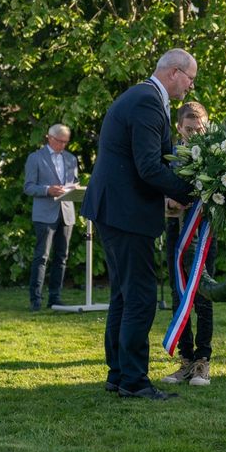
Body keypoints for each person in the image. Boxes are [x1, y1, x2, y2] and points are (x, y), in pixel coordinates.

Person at [80, 49, 196, 401]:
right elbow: (148, 166)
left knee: (123, 295)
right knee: (141, 298)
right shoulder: (147, 102)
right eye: (190, 79)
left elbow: (143, 163)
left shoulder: (140, 96)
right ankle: (133, 379)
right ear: (175, 72)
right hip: (125, 213)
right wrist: (188, 191)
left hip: (115, 209)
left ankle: (119, 374)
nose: (190, 87)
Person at [161, 102, 216, 387]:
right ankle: (184, 359)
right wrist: (166, 200)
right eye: (189, 129)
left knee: (204, 295)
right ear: (179, 127)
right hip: (176, 230)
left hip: (205, 232)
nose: (194, 134)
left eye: (200, 129)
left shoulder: (217, 155)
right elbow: (154, 186)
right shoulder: (167, 155)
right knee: (178, 292)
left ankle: (202, 361)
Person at [24, 124, 78, 311]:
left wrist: (74, 188)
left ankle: (55, 297)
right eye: (60, 141)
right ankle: (36, 299)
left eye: (66, 142)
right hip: (45, 213)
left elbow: (74, 182)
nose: (63, 145)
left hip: (66, 212)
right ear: (50, 138)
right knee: (42, 257)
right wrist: (48, 190)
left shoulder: (71, 159)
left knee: (62, 257)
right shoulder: (36, 158)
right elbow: (29, 187)